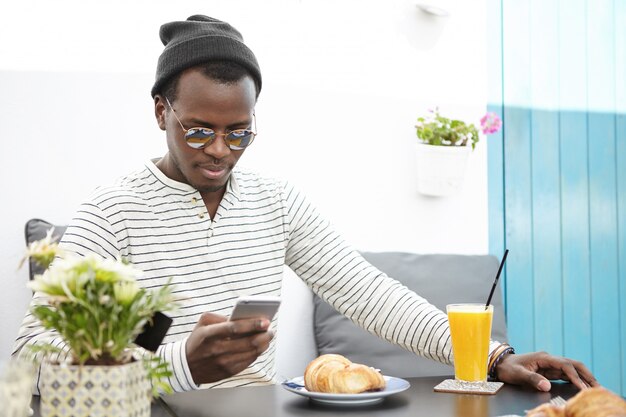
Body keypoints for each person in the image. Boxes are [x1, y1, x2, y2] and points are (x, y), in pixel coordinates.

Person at [13, 14, 598, 394]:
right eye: (197, 130)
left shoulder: (276, 202)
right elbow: (32, 360)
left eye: (238, 132)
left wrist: (494, 358)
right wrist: (180, 365)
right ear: (161, 112)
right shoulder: (113, 212)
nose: (219, 151)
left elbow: (371, 295)